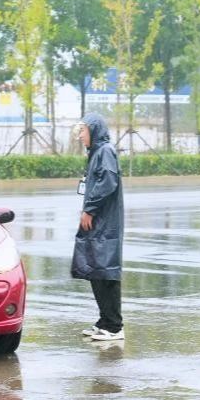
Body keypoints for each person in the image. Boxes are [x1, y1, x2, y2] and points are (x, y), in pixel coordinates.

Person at [71, 113, 125, 343]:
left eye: (82, 131)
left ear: (94, 130)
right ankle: (104, 321)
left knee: (106, 271)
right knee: (96, 269)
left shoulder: (105, 151)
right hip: (97, 223)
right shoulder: (96, 153)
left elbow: (108, 182)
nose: (80, 136)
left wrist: (90, 209)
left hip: (105, 224)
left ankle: (114, 326)